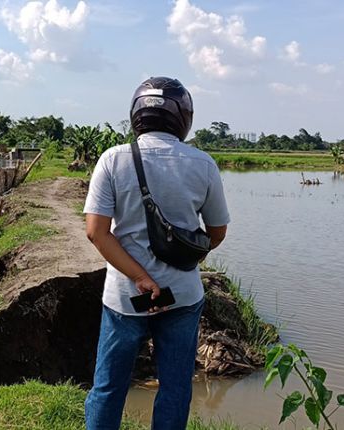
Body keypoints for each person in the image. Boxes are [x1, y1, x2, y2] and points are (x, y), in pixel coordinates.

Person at [83, 76, 230, 430]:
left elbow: (96, 232)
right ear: (184, 116)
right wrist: (186, 255)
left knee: (108, 387)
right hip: (182, 295)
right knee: (176, 388)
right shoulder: (203, 164)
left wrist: (140, 277)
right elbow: (217, 232)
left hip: (125, 297)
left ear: (137, 113)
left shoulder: (112, 159)